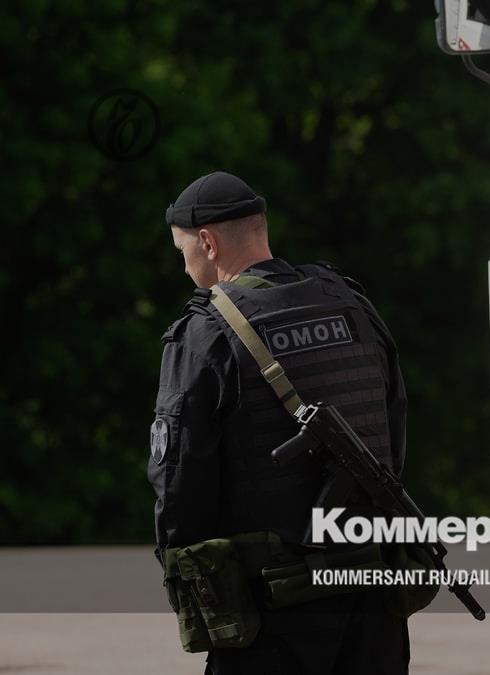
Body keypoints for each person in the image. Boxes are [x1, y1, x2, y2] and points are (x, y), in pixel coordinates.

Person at [149, 171, 415, 674]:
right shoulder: (351, 303)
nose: (183, 265)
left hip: (271, 609)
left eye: (182, 250)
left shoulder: (205, 334)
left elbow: (180, 483)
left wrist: (191, 579)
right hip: (372, 598)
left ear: (207, 243)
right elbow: (392, 431)